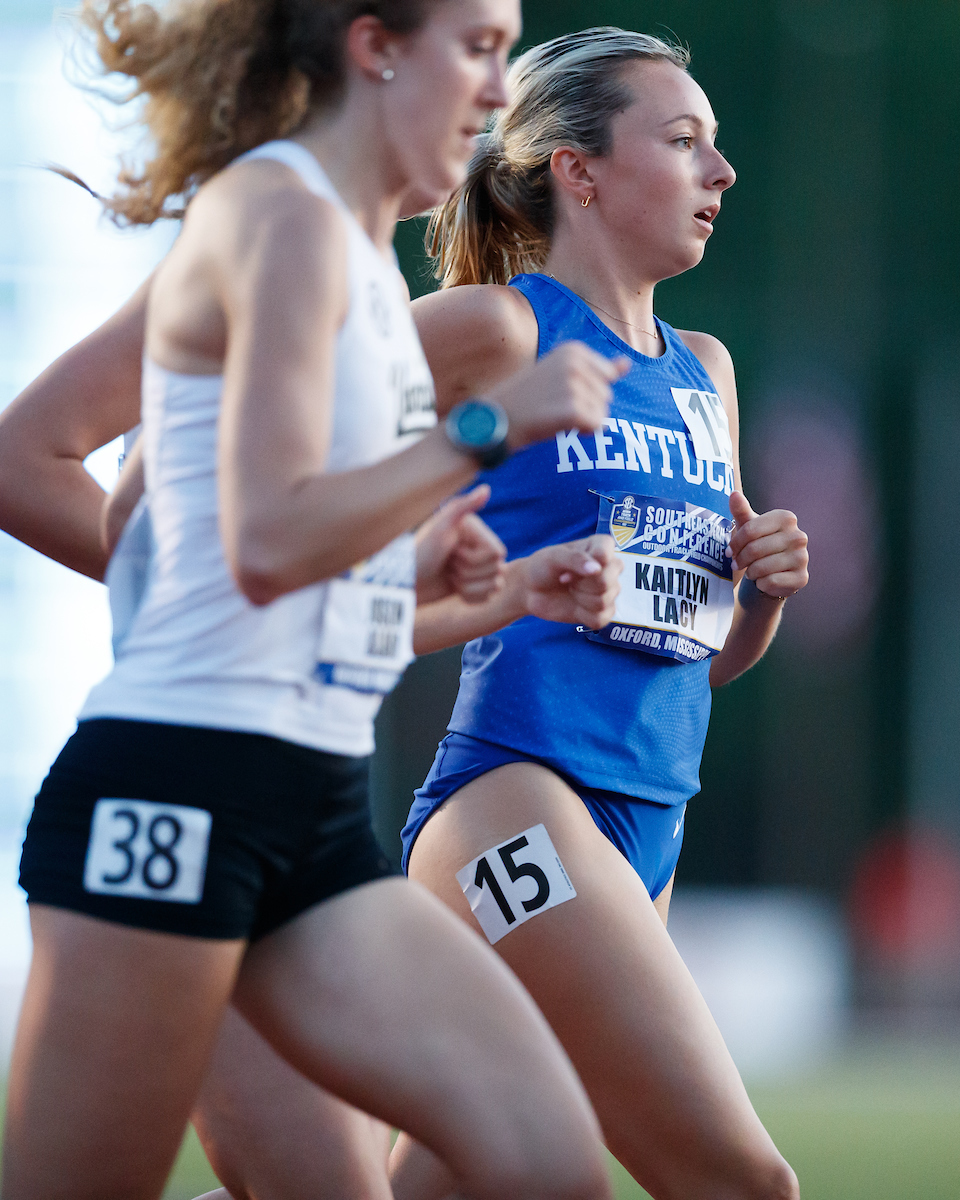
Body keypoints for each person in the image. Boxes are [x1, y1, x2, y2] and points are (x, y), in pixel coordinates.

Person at [0, 1, 630, 1196]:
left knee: (550, 1162)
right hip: (174, 792)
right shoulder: (274, 215)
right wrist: (494, 426)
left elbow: (255, 566)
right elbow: (265, 544)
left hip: (315, 812)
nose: (502, 93)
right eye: (481, 48)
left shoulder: (361, 265)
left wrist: (458, 585)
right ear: (374, 42)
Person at [389, 27, 811, 1200]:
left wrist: (761, 590)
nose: (722, 173)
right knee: (743, 1182)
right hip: (517, 795)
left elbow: (703, 658)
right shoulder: (497, 328)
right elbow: (285, 410)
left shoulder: (704, 369)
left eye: (717, 147)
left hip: (650, 822)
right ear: (578, 170)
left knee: (423, 1189)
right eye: (683, 142)